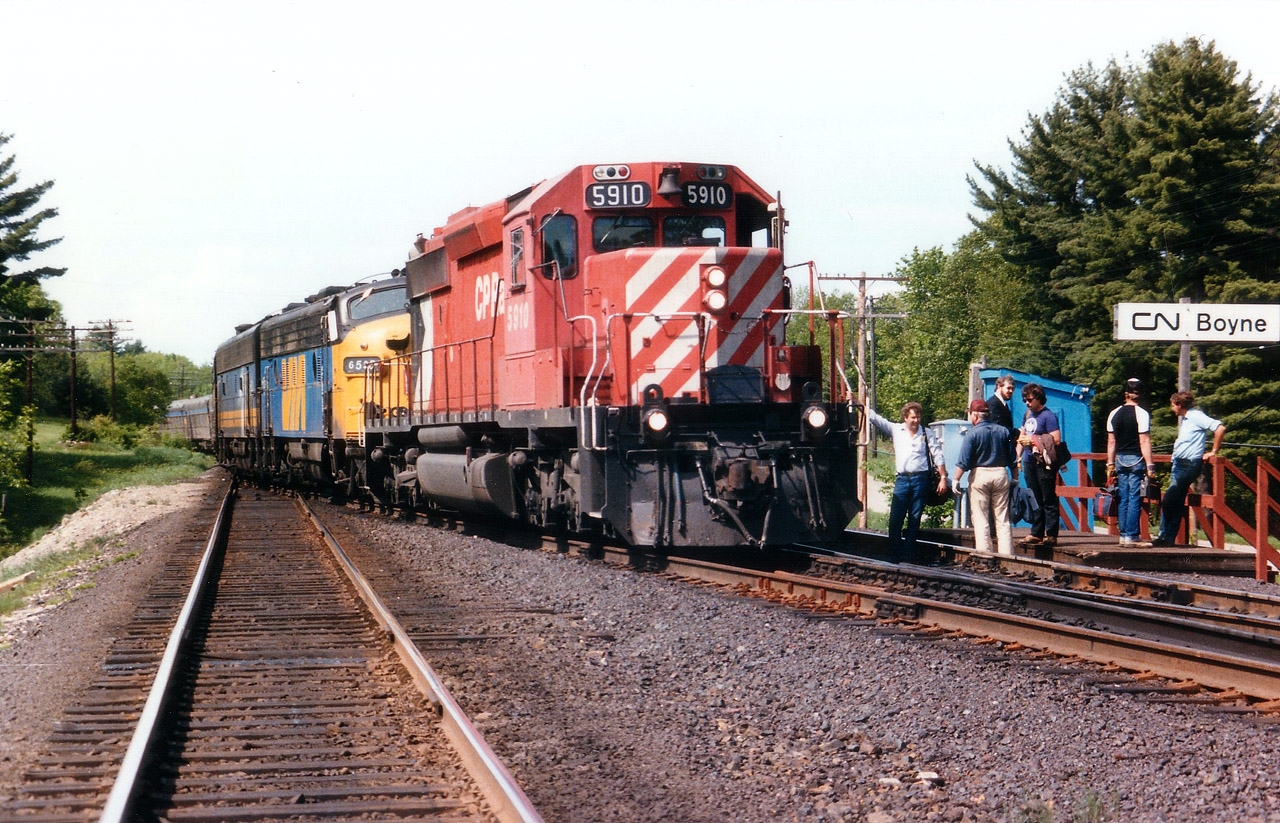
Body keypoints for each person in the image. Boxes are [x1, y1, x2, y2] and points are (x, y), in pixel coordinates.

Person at [866, 402, 949, 564]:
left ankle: (908, 554)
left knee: (915, 518)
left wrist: (943, 477)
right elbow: (876, 419)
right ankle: (894, 553)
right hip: (902, 480)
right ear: (905, 418)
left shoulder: (926, 433)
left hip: (921, 480)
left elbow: (938, 455)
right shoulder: (896, 430)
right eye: (913, 417)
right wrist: (857, 402)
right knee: (895, 518)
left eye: (918, 417)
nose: (916, 420)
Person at [1152, 391, 1225, 547]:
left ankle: (1164, 535)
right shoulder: (1186, 419)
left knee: (1168, 500)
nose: (1172, 408)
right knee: (1177, 501)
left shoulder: (1195, 416)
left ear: (1179, 405)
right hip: (1179, 463)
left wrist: (1213, 451)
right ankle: (1167, 538)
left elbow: (1220, 428)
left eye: (1172, 405)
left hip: (1188, 464)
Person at [953, 398, 1016, 555]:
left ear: (975, 415)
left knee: (981, 518)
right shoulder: (1004, 431)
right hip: (1001, 473)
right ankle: (1007, 556)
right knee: (1003, 518)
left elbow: (964, 462)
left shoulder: (972, 434)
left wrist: (955, 479)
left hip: (980, 475)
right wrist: (1015, 479)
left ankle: (984, 555)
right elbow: (1013, 460)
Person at [1105, 378, 1157, 547]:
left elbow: (1111, 442)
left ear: (1125, 394)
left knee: (1122, 497)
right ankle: (1132, 536)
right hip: (1136, 459)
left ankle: (1123, 535)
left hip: (1119, 459)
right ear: (1139, 395)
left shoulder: (1114, 413)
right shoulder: (1142, 414)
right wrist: (1150, 465)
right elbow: (1144, 442)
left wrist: (1110, 464)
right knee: (1135, 497)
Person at [1017, 383, 1062, 548]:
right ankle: (1036, 532)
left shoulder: (1048, 416)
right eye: (1024, 400)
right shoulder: (1028, 414)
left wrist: (1034, 440)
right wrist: (1018, 457)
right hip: (1029, 461)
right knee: (1034, 497)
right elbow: (1022, 437)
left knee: (1047, 497)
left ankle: (1051, 534)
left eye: (1029, 399)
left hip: (1043, 462)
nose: (1027, 403)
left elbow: (1056, 439)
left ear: (1038, 398)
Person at [987, 375, 1017, 450]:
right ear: (999, 387)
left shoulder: (1003, 404)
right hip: (996, 448)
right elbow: (998, 426)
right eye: (1008, 388)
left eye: (1012, 389)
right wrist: (1017, 432)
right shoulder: (993, 403)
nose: (1011, 391)